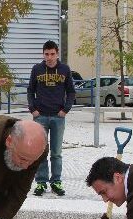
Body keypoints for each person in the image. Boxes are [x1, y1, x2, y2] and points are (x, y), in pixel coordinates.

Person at [27, 40, 76, 197]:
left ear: (57, 53)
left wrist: (65, 109)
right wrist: (33, 109)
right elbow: (30, 90)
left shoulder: (64, 70)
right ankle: (41, 182)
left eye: (52, 54)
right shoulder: (37, 69)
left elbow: (71, 92)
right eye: (46, 54)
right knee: (40, 151)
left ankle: (56, 181)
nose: (49, 57)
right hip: (40, 117)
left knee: (56, 152)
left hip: (58, 117)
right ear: (43, 54)